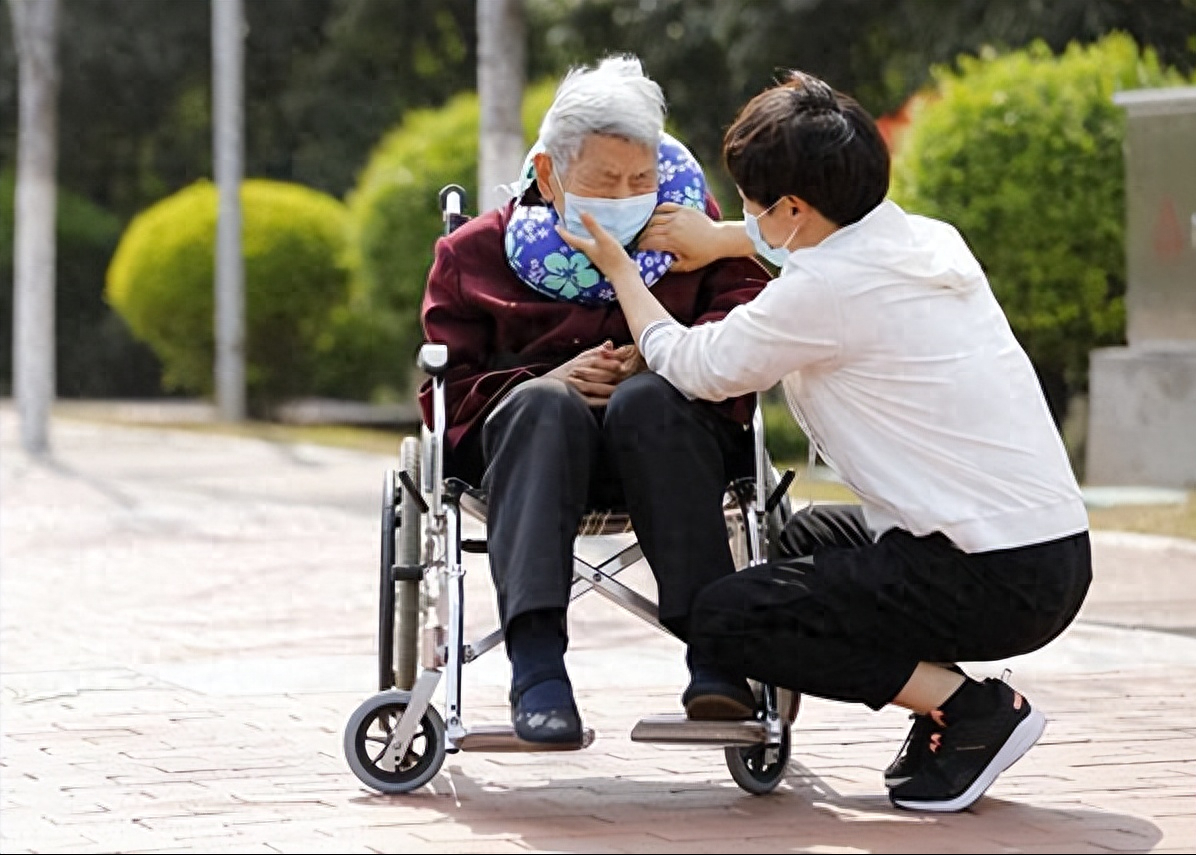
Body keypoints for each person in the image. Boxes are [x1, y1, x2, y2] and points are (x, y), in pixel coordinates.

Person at [557, 70, 1092, 811]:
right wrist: (725, 238)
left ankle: (969, 711)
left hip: (991, 577)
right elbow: (821, 245)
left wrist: (620, 270)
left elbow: (695, 366)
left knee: (727, 615)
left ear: (795, 208)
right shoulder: (928, 240)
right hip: (1046, 547)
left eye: (752, 201)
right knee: (789, 542)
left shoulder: (820, 294)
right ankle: (945, 705)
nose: (746, 211)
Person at [417, 55, 772, 748]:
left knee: (648, 398)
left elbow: (753, 327)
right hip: (531, 468)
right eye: (604, 181)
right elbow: (445, 395)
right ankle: (538, 668)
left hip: (673, 452)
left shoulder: (691, 239)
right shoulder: (473, 256)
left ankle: (717, 661)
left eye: (640, 178)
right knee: (543, 406)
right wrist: (544, 381)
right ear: (549, 173)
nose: (626, 194)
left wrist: (660, 350)